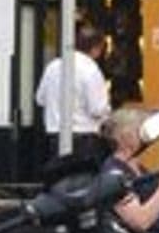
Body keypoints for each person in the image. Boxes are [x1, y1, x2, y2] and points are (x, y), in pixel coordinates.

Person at [35, 24, 111, 161]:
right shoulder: (91, 70)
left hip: (55, 135)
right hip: (84, 137)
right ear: (96, 49)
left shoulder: (53, 66)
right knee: (82, 179)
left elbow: (40, 99)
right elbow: (97, 109)